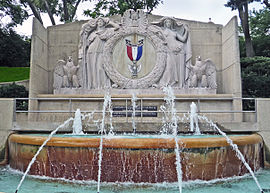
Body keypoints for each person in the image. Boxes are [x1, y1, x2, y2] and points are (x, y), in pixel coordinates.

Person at [151, 17, 192, 88]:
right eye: (167, 22)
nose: (168, 23)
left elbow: (183, 39)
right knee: (168, 67)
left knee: (174, 68)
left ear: (171, 23)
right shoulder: (162, 31)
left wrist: (186, 31)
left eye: (169, 22)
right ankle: (164, 84)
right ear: (164, 23)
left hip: (177, 51)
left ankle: (174, 84)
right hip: (168, 51)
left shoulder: (174, 32)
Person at [79, 17, 119, 89]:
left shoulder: (107, 31)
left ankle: (103, 85)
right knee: (93, 68)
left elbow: (117, 28)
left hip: (102, 52)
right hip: (91, 52)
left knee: (102, 68)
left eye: (101, 21)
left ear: (104, 23)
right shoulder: (93, 33)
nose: (99, 22)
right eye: (98, 21)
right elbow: (87, 44)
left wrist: (110, 22)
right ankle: (95, 86)